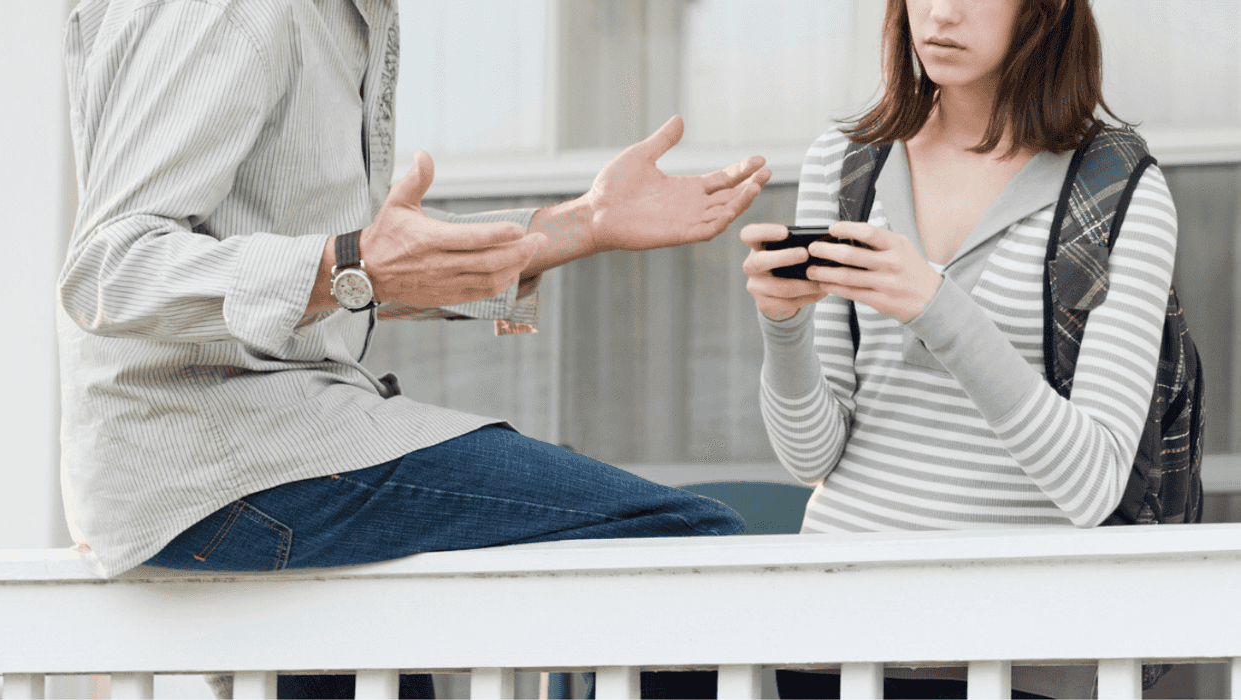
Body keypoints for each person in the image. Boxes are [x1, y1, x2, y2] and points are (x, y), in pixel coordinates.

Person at [59, 0, 769, 697]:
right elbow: (109, 271)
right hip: (230, 462)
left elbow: (336, 278)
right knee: (683, 551)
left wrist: (582, 223)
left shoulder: (352, 18)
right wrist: (351, 262)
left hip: (263, 453)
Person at [741, 0, 1176, 698]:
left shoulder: (1120, 192)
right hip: (835, 641)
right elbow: (810, 457)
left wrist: (937, 308)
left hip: (1018, 652)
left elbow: (1093, 484)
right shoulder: (846, 161)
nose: (941, 13)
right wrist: (782, 323)